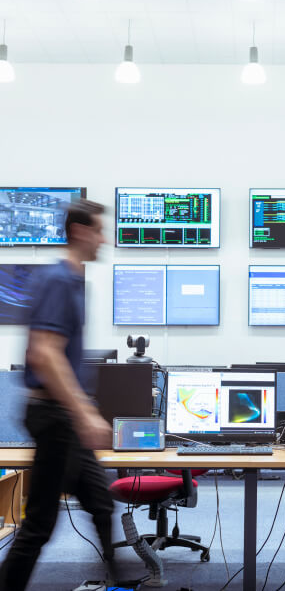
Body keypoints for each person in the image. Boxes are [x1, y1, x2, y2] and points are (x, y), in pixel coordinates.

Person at [0, 200, 118, 591]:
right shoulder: (57, 280)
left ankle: (117, 581)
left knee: (101, 506)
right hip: (56, 415)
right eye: (100, 230)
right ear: (81, 231)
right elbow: (44, 352)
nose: (104, 239)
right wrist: (84, 412)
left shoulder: (72, 280)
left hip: (64, 415)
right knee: (39, 525)